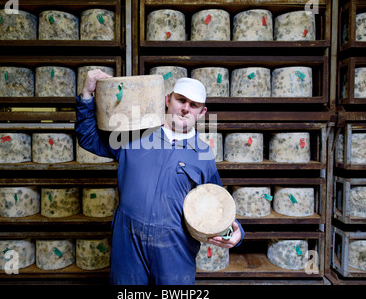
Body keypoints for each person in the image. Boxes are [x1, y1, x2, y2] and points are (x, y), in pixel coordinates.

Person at [75, 69, 244, 285]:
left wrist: (236, 232)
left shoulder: (203, 155)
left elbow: (217, 204)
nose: (185, 109)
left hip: (175, 247)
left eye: (194, 105)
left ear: (202, 112)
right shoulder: (134, 135)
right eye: (180, 100)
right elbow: (89, 138)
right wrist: (87, 95)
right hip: (129, 243)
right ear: (167, 99)